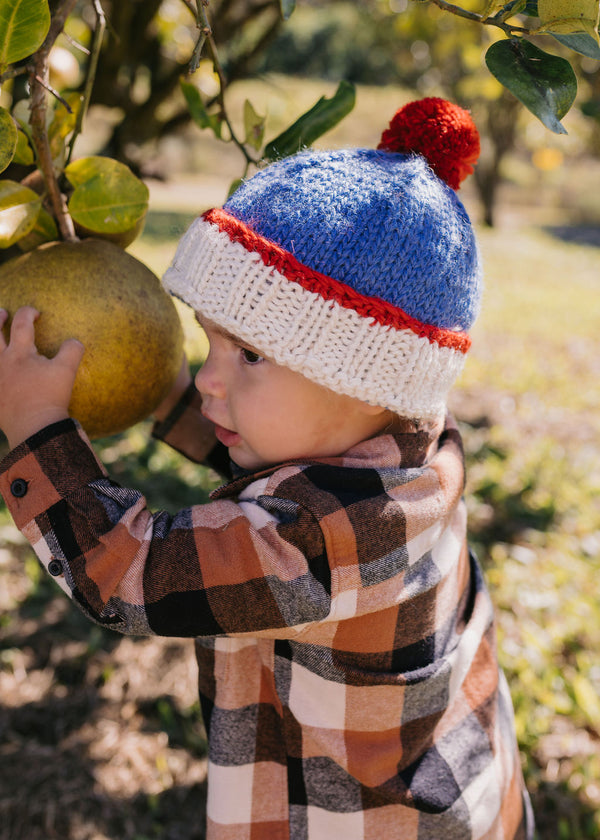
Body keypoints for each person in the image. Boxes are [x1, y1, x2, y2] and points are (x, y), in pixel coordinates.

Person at [0, 97, 533, 839]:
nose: (210, 377)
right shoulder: (405, 450)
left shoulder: (321, 538)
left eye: (248, 354)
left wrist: (37, 433)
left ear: (362, 377)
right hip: (463, 785)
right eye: (209, 342)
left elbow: (126, 574)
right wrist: (167, 397)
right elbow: (271, 458)